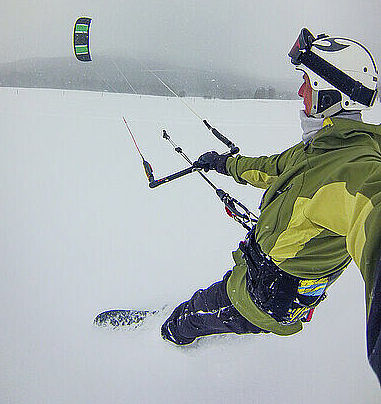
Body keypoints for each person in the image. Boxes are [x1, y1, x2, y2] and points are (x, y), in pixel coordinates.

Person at [160, 28, 381, 385]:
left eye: (307, 82)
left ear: (332, 95)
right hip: (257, 275)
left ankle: (165, 338)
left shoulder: (356, 171)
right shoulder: (322, 148)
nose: (300, 91)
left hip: (262, 302)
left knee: (196, 311)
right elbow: (270, 168)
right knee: (218, 295)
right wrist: (223, 164)